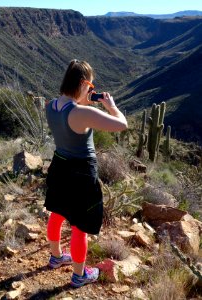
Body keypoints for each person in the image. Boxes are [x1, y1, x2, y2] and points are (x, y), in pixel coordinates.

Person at [45, 59, 127, 288]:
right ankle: (80, 275)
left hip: (59, 164)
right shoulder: (82, 113)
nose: (91, 92)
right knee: (80, 226)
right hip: (81, 172)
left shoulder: (50, 105)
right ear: (82, 83)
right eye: (90, 87)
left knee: (57, 212)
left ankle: (56, 257)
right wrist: (110, 105)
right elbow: (122, 124)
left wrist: (84, 98)